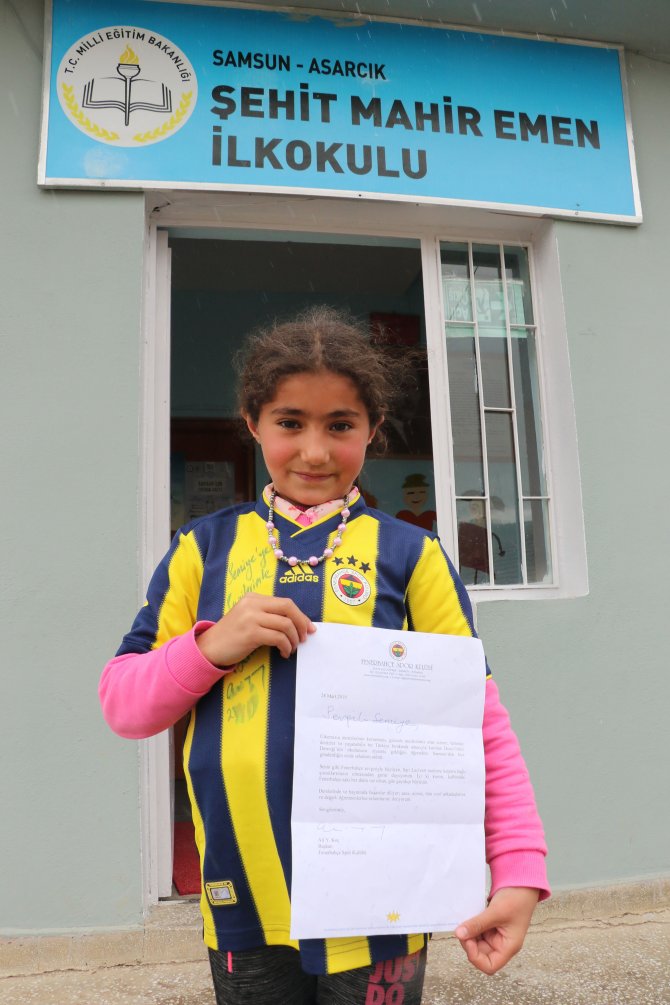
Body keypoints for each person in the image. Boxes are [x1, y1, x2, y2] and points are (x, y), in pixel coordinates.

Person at [99, 306, 549, 1005]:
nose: (314, 451)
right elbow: (124, 705)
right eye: (290, 422)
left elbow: (477, 722)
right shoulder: (202, 550)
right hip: (244, 899)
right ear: (253, 423)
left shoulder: (413, 555)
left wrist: (518, 867)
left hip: (384, 898)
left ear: (372, 428)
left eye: (340, 425)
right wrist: (212, 645)